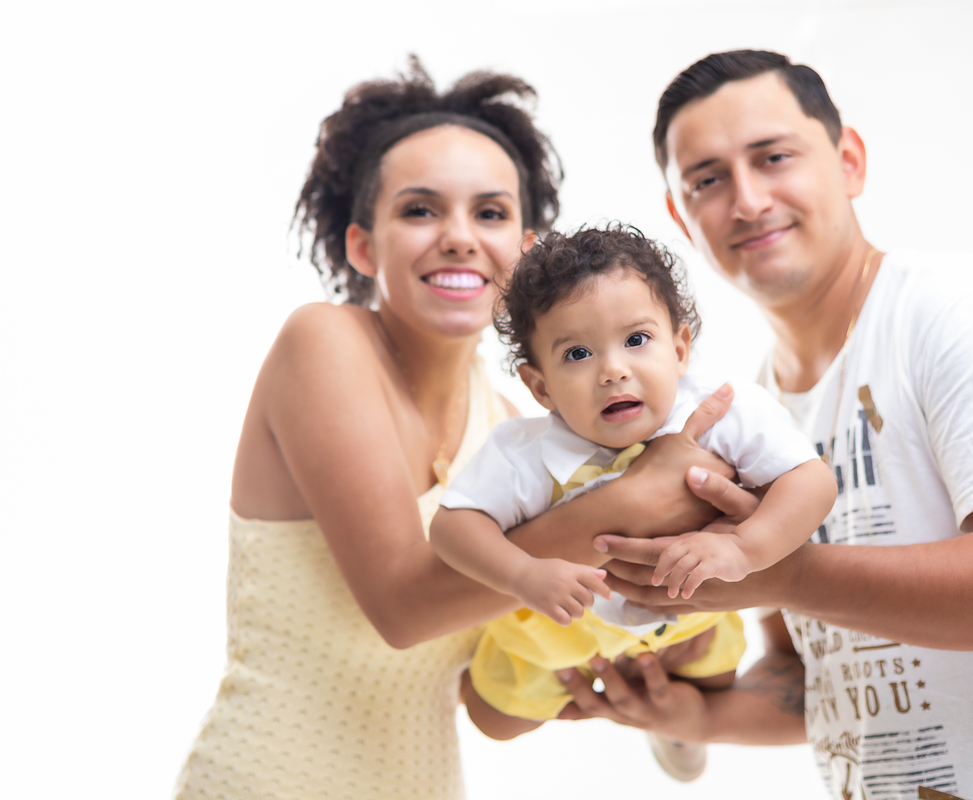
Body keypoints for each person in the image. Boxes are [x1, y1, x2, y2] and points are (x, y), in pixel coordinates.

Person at [557, 50, 973, 799]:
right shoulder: (754, 410)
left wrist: (786, 573)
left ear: (849, 162)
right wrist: (694, 715)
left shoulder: (959, 310)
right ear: (681, 217)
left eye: (774, 157)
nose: (748, 200)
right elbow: (820, 668)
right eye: (708, 180)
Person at [172, 61, 739, 799]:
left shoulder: (511, 430)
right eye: (420, 210)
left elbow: (487, 688)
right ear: (363, 247)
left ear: (527, 251)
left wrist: (645, 659)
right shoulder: (323, 343)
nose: (460, 238)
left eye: (491, 213)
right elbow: (403, 609)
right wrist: (637, 498)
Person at [429, 225, 835, 733]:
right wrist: (521, 575)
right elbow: (451, 526)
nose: (613, 370)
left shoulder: (723, 412)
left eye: (637, 340)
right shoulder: (522, 451)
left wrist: (745, 548)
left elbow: (811, 480)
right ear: (540, 387)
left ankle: (678, 735)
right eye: (578, 354)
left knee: (715, 674)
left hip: (688, 614)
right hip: (568, 631)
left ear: (680, 349)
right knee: (495, 719)